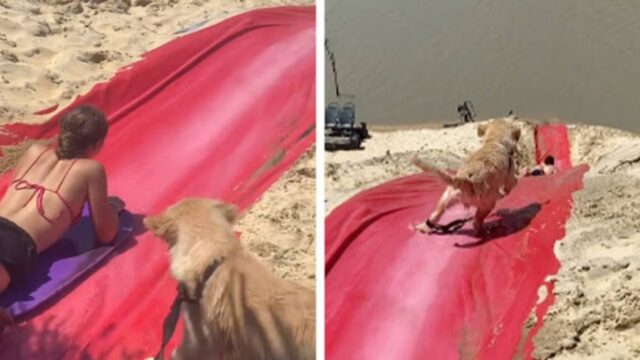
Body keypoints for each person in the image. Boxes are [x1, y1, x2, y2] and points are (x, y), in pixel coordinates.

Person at [0, 105, 123, 327]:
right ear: (97, 144)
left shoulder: (34, 151)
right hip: (14, 242)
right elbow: (106, 234)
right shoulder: (90, 169)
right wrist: (111, 210)